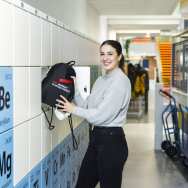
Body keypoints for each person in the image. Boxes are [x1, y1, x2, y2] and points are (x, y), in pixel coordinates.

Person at [56, 40, 131, 188]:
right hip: (97, 138)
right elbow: (88, 106)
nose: (105, 58)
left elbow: (101, 116)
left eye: (110, 54)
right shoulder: (101, 80)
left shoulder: (119, 82)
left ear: (119, 56)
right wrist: (74, 87)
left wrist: (73, 109)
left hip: (112, 142)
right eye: (102, 54)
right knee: (83, 184)